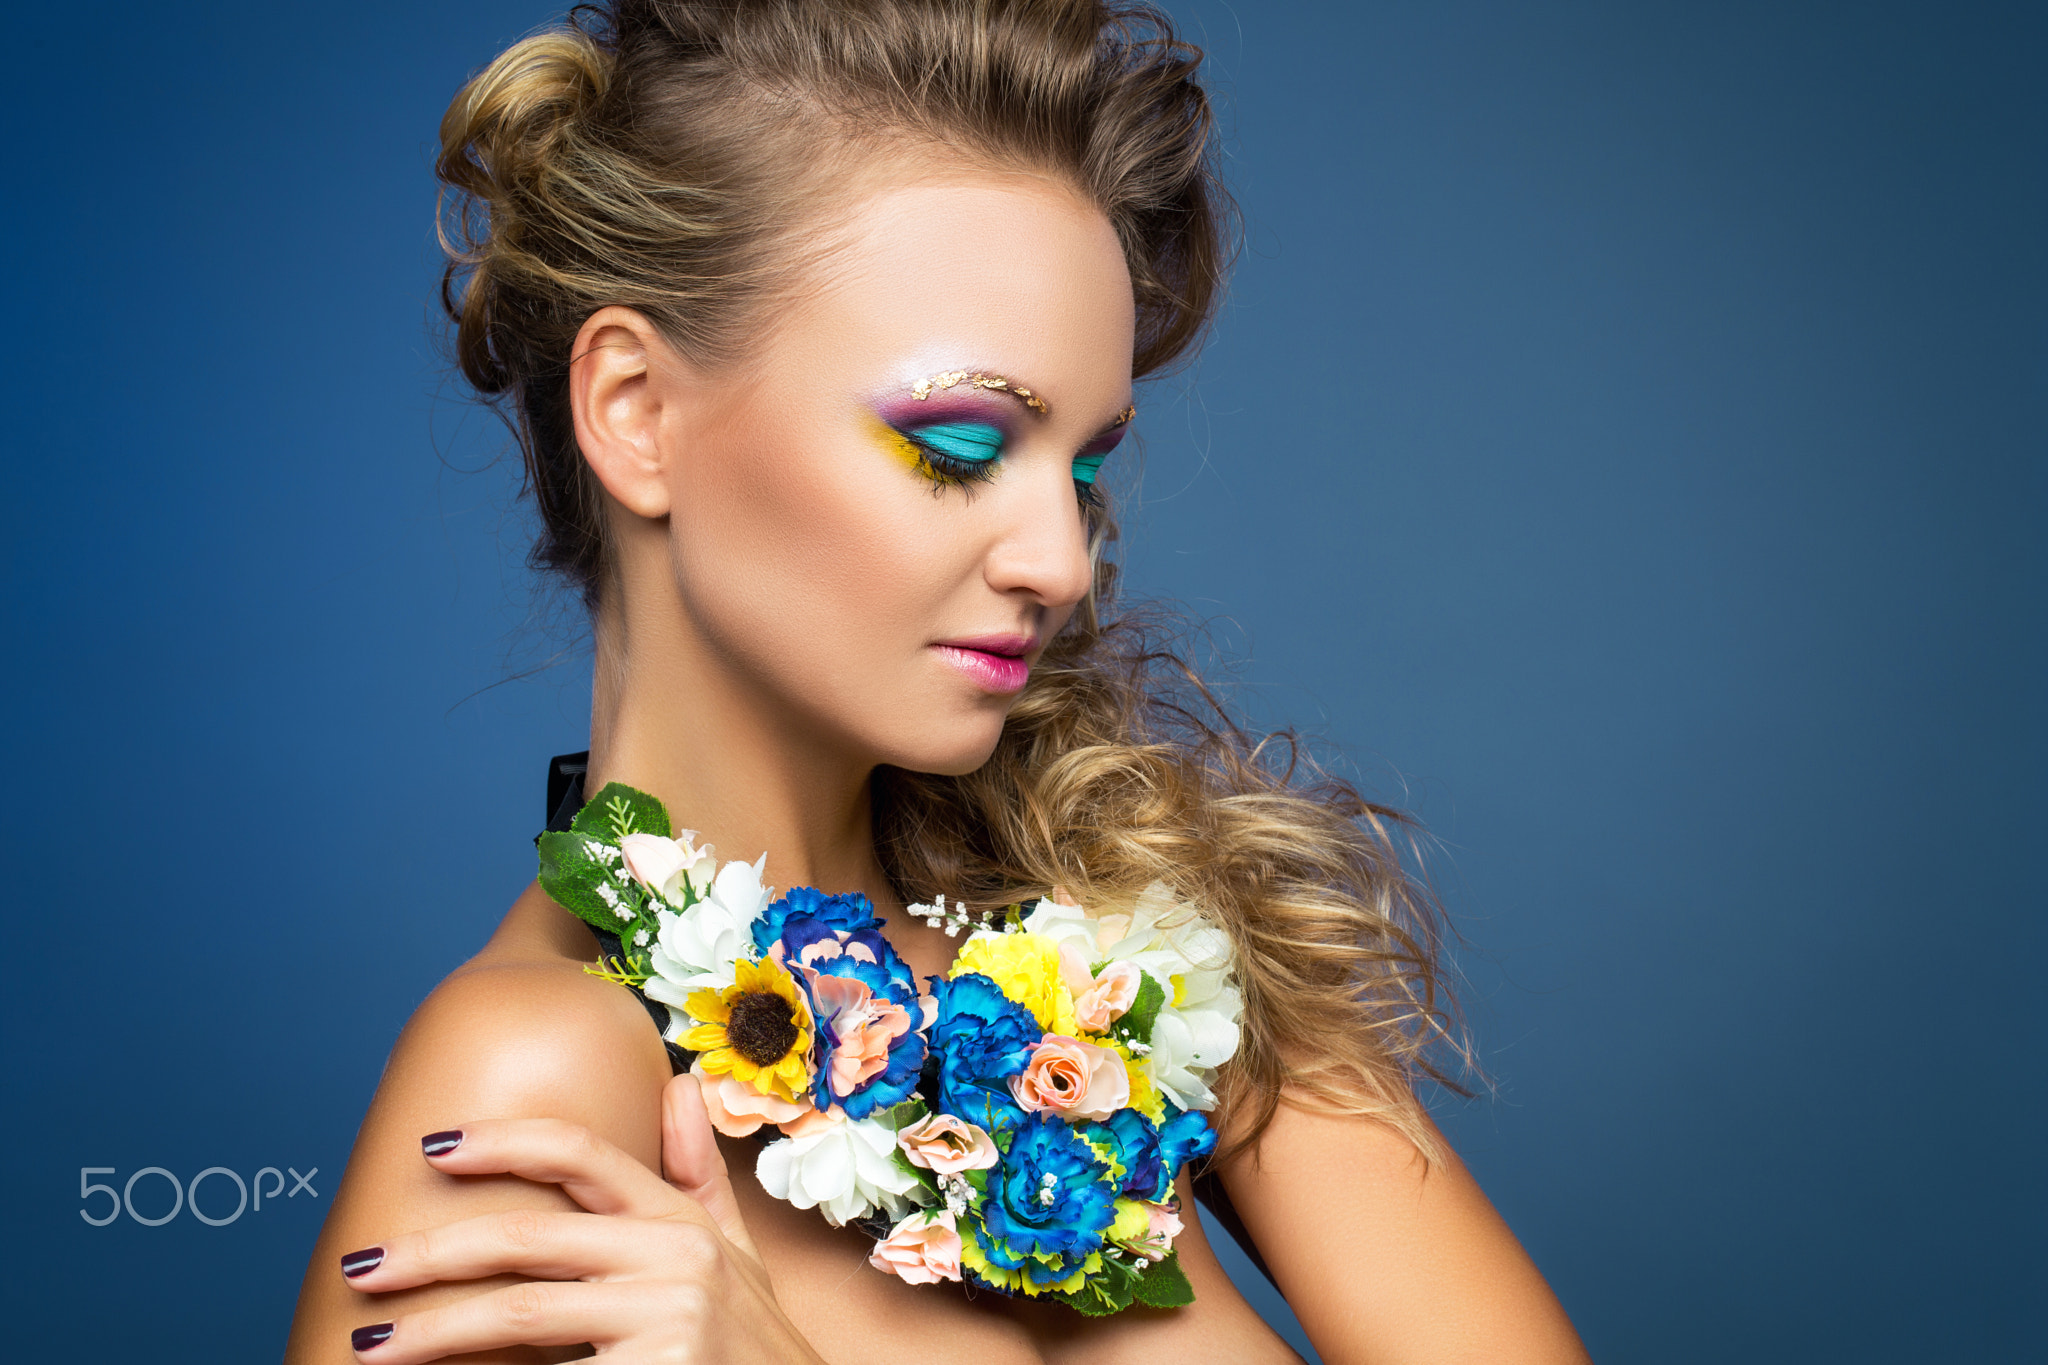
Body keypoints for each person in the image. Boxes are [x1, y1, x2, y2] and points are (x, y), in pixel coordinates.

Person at [284, 2, 1590, 1360]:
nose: (1060, 562)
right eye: (958, 444)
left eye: (1081, 467)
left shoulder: (1148, 949)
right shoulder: (536, 1075)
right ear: (634, 410)